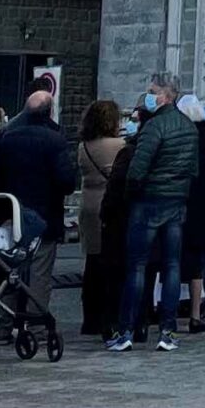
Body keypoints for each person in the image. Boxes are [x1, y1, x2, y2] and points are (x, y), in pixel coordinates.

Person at [106, 75, 195, 354]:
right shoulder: (188, 127)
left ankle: (126, 330)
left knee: (137, 266)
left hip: (148, 201)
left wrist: (133, 193)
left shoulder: (154, 127)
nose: (148, 95)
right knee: (171, 266)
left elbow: (137, 168)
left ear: (166, 96)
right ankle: (167, 330)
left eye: (153, 91)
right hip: (176, 200)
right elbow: (193, 169)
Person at [0, 87, 77, 320]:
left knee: (10, 266)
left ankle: (3, 320)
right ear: (49, 111)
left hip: (12, 211)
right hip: (44, 214)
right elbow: (66, 181)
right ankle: (36, 322)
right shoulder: (55, 140)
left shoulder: (8, 137)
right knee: (39, 271)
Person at [73, 103, 127, 344]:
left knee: (92, 263)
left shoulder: (83, 147)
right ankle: (109, 316)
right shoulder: (119, 146)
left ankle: (89, 318)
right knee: (111, 263)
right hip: (109, 204)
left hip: (88, 205)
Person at [177, 102, 205, 332]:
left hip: (182, 202)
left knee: (172, 259)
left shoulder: (183, 138)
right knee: (200, 262)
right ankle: (199, 311)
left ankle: (168, 312)